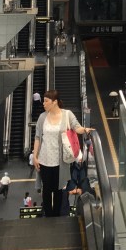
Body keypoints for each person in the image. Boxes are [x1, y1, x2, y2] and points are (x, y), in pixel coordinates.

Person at [32, 89, 88, 217]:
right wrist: (35, 157)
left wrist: (85, 130)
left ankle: (56, 216)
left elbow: (76, 127)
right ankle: (48, 215)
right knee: (46, 190)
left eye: (46, 101)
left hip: (60, 161)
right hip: (44, 160)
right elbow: (38, 138)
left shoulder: (67, 114)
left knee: (58, 190)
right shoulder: (42, 117)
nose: (43, 103)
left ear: (55, 102)